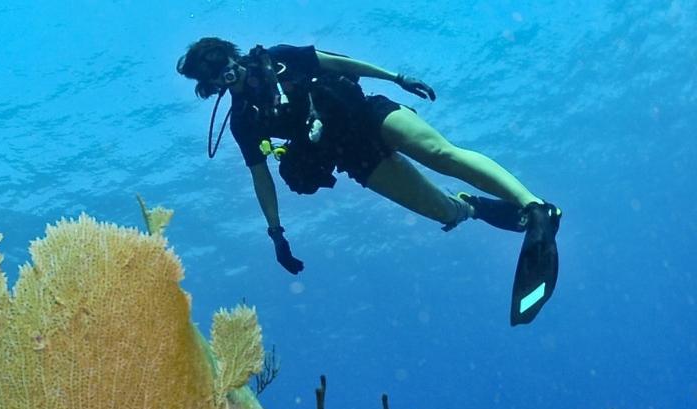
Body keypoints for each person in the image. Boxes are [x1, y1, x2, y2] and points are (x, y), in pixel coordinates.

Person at [176, 38, 561, 325]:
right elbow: (261, 178)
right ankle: (472, 205)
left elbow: (338, 62)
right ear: (211, 85)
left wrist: (398, 78)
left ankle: (535, 208)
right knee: (442, 211)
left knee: (441, 153)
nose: (227, 70)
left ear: (231, 53)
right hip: (352, 158)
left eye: (223, 59)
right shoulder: (244, 120)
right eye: (214, 72)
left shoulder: (279, 57)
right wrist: (275, 233)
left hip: (368, 113)